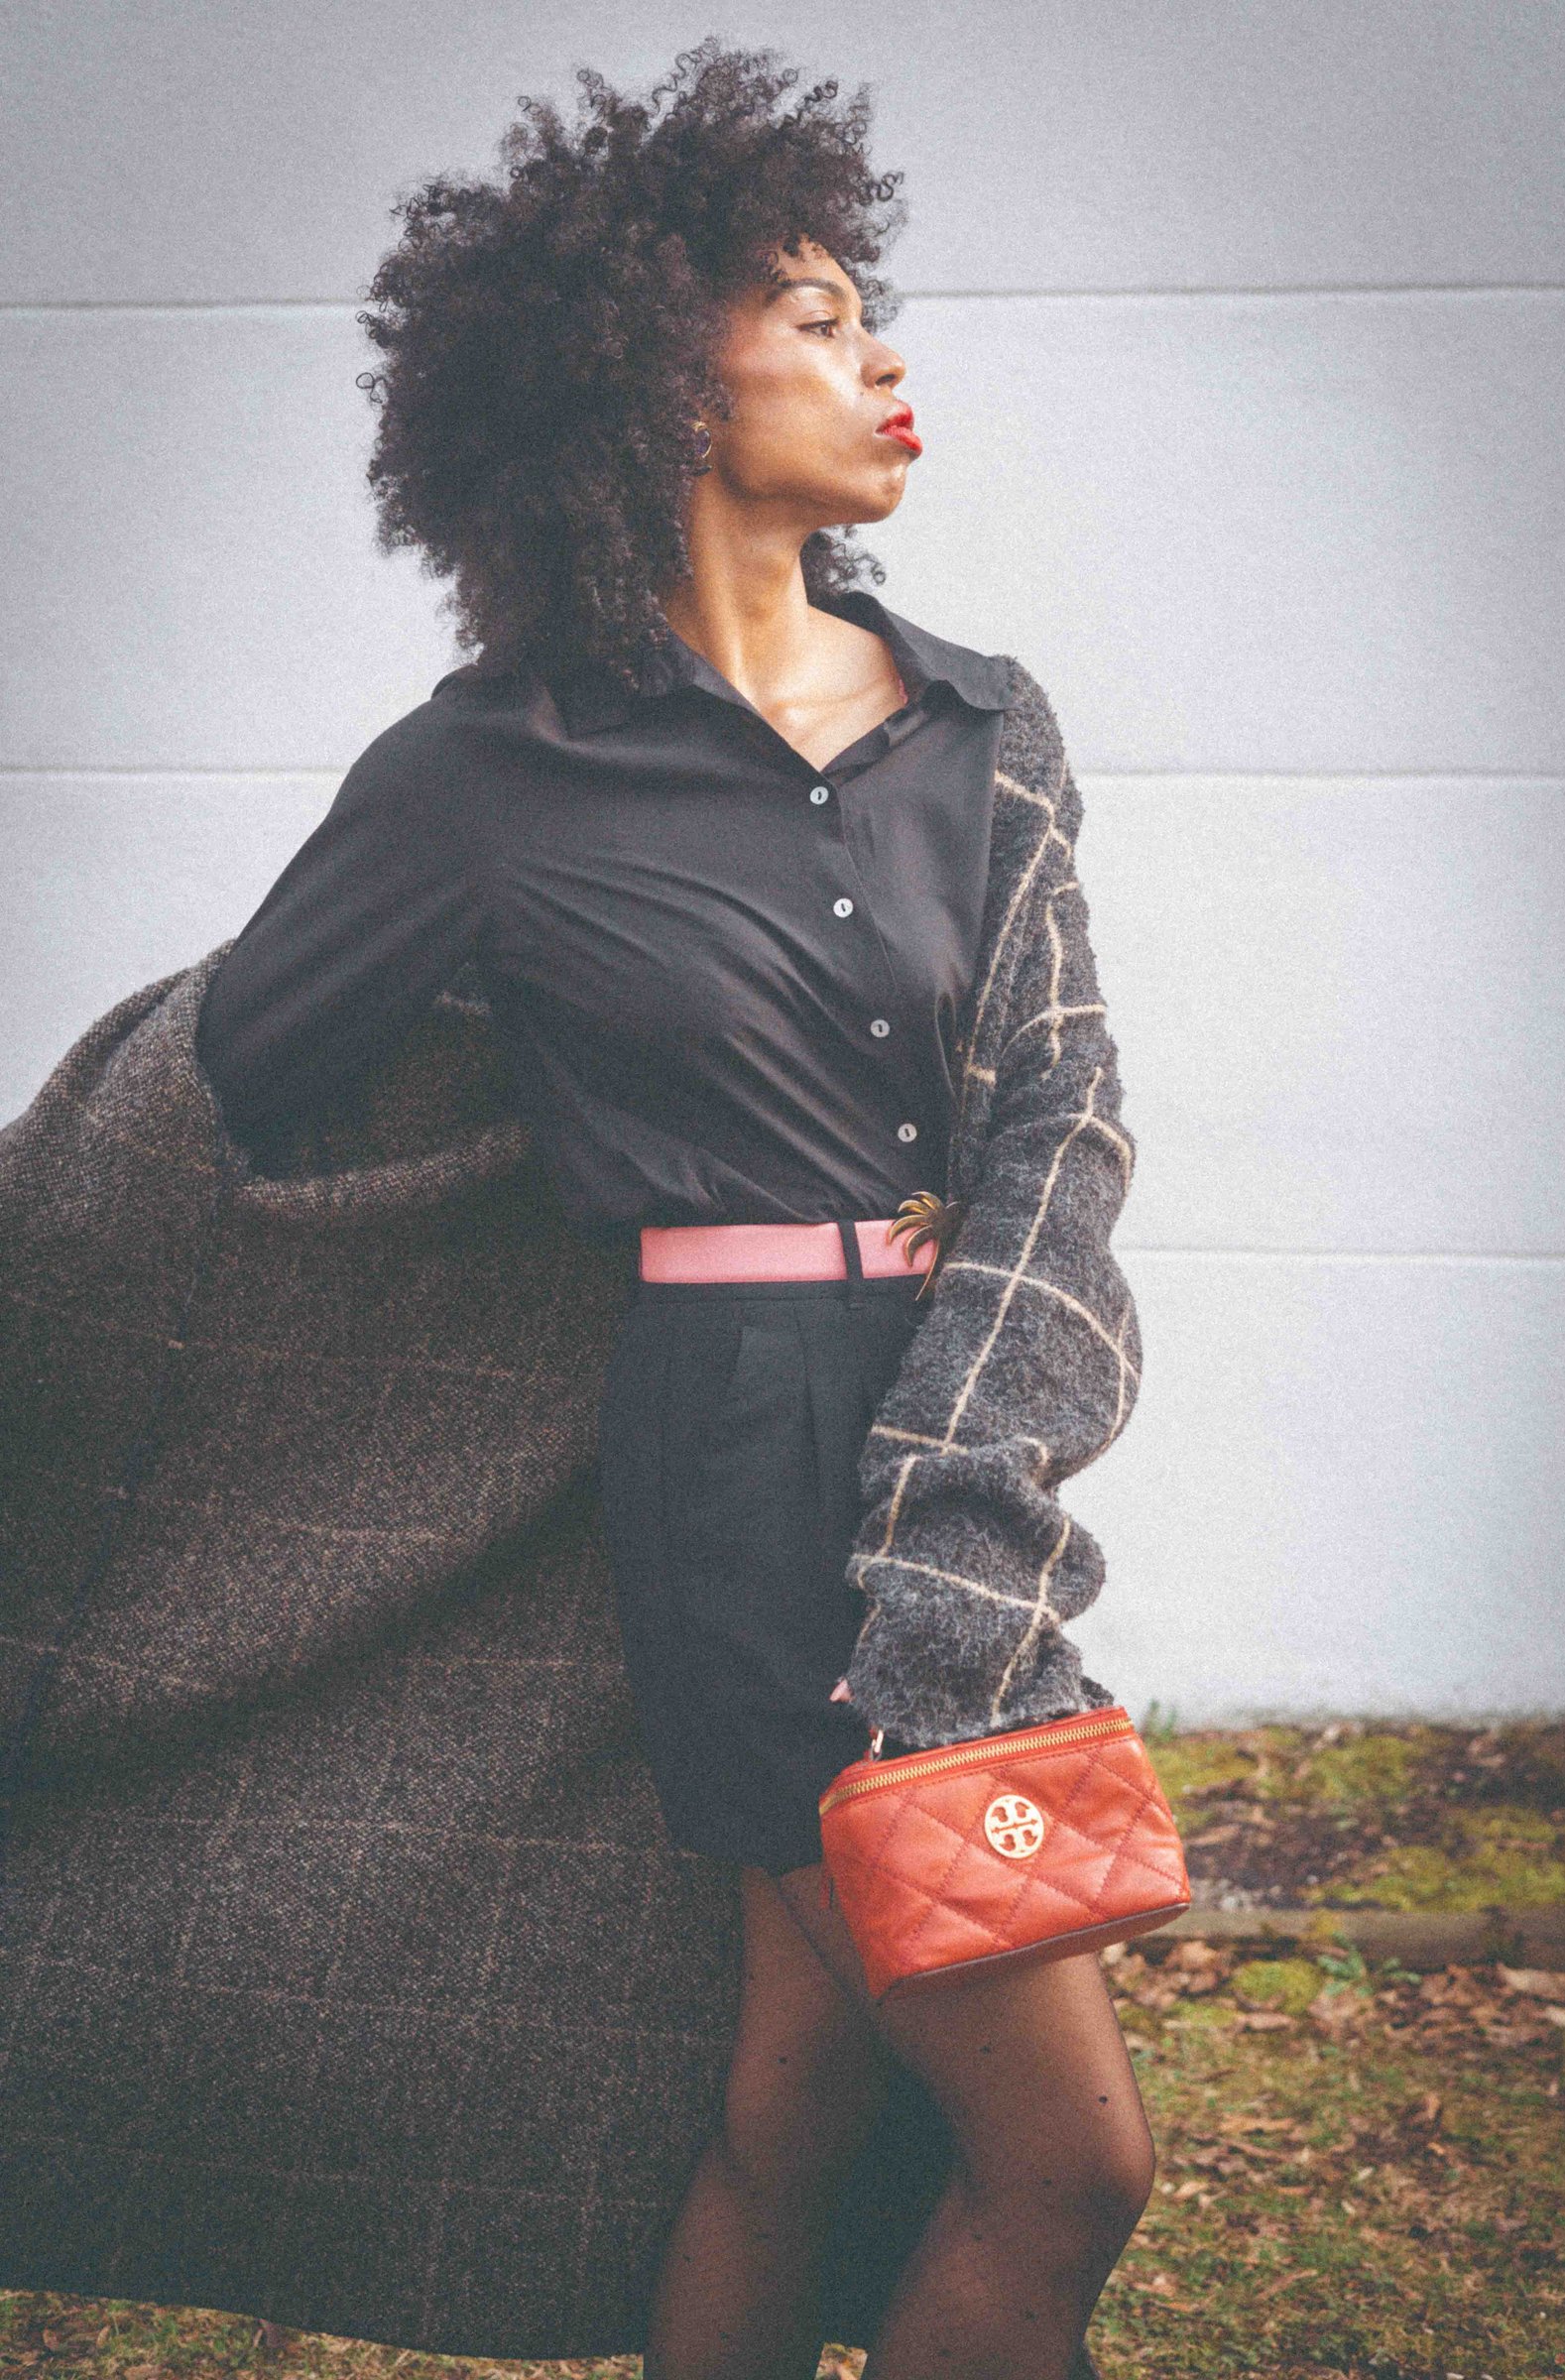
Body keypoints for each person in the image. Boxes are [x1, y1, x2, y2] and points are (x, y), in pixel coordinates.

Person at [193, 41, 1151, 2380]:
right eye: (810, 314)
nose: (879, 353)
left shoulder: (976, 723)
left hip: (959, 1458)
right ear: (643, 375)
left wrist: (958, 1480)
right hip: (719, 1455)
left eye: (863, 306)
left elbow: (1057, 1101)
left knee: (796, 2101)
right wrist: (564, 1152)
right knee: (1069, 2167)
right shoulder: (483, 770)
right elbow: (254, 1081)